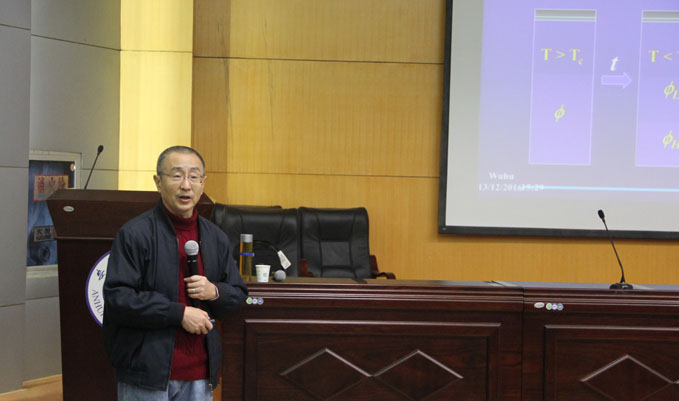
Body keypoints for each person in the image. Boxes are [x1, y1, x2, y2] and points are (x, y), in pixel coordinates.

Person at [103, 146, 248, 401]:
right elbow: (119, 298)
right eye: (177, 175)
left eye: (194, 176)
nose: (186, 185)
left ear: (203, 183)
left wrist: (214, 291)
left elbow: (238, 295)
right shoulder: (135, 234)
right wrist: (178, 313)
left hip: (201, 373)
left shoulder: (216, 237)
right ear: (158, 182)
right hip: (147, 372)